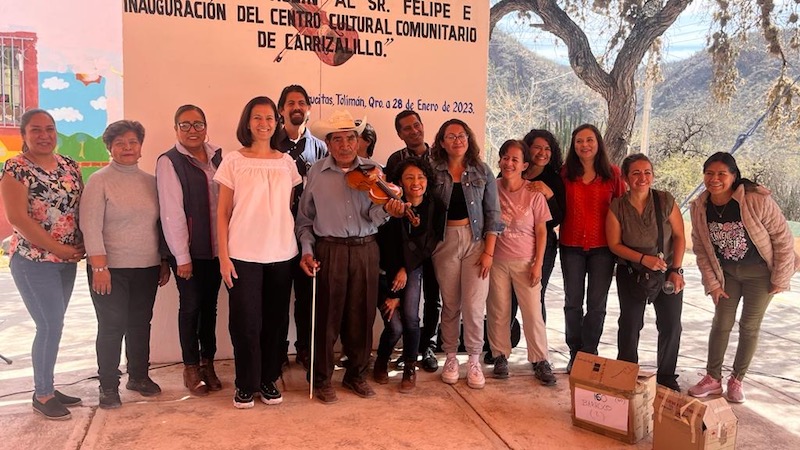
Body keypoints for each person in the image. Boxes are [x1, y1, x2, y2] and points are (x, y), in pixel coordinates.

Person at [295, 109, 406, 404]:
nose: (345, 145)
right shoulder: (315, 172)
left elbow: (374, 212)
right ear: (329, 144)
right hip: (328, 249)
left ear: (358, 141)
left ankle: (356, 375)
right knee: (326, 318)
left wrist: (388, 210)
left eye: (350, 138)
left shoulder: (374, 171)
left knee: (361, 316)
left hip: (365, 249)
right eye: (338, 139)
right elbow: (305, 220)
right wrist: (307, 250)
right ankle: (321, 379)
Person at [688, 152, 799, 403]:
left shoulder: (754, 200)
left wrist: (780, 277)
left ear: (733, 176)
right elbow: (702, 250)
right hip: (726, 275)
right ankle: (713, 378)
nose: (714, 179)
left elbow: (782, 237)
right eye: (709, 173)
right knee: (721, 323)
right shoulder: (700, 207)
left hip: (759, 276)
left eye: (721, 174)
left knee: (749, 326)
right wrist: (712, 285)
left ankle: (737, 380)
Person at [215, 96, 302, 409]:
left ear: (276, 122)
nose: (263, 124)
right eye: (257, 118)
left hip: (282, 254)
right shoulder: (233, 161)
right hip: (242, 255)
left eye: (269, 118)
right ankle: (245, 384)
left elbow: (286, 209)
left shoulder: (286, 163)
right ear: (247, 122)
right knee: (245, 323)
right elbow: (223, 213)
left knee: (275, 323)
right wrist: (224, 257)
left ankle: (268, 379)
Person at [80, 120, 171, 409]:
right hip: (110, 270)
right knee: (111, 326)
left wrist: (162, 261)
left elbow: (159, 225)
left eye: (132, 142)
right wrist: (99, 267)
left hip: (146, 267)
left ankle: (139, 377)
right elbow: (90, 226)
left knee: (140, 324)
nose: (127, 148)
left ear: (141, 147)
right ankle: (108, 386)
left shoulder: (150, 182)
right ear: (110, 148)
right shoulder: (99, 181)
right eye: (119, 143)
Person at [1, 109, 84, 420]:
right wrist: (58, 249)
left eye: (49, 129)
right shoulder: (16, 168)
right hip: (34, 261)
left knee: (55, 325)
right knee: (49, 325)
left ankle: (47, 384)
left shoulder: (69, 166)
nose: (44, 135)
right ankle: (42, 394)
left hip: (66, 260)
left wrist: (81, 245)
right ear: (24, 134)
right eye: (36, 130)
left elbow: (79, 208)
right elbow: (17, 218)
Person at [430, 118, 504, 389]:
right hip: (444, 243)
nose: (457, 140)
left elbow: (493, 214)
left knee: (474, 306)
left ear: (468, 139)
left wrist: (489, 252)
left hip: (475, 243)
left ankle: (473, 359)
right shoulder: (433, 171)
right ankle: (450, 357)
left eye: (461, 135)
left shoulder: (482, 171)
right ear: (441, 142)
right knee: (450, 304)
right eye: (450, 136)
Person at [156, 104, 223, 396]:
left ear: (206, 127)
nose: (192, 130)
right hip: (188, 252)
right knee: (191, 306)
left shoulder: (220, 157)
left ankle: (208, 362)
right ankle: (191, 367)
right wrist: (181, 257)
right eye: (185, 125)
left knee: (210, 308)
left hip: (217, 250)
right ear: (176, 129)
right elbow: (172, 213)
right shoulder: (169, 161)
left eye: (197, 124)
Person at [606, 153, 685, 392]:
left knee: (671, 325)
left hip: (666, 272)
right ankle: (626, 372)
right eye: (636, 173)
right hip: (632, 272)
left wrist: (676, 270)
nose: (642, 178)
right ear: (626, 177)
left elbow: (680, 236)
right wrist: (643, 259)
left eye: (647, 172)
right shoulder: (618, 206)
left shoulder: (664, 200)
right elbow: (614, 244)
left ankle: (667, 375)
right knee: (630, 324)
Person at [486, 140, 556, 385]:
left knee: (532, 313)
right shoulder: (491, 188)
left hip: (526, 261)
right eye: (505, 157)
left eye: (515, 159)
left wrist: (537, 264)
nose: (509, 163)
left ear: (524, 165)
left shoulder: (534, 192)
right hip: (497, 261)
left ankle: (540, 359)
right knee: (498, 311)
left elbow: (542, 232)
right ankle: (499, 355)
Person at [373, 157, 445, 393]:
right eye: (409, 177)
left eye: (421, 177)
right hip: (385, 274)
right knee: (395, 327)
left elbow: (428, 246)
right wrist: (394, 293)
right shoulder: (391, 207)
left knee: (412, 320)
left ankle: (409, 369)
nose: (416, 183)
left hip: (411, 269)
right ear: (400, 182)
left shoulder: (435, 206)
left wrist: (405, 271)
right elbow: (385, 250)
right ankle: (381, 362)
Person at [559, 124, 626, 372]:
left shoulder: (613, 174)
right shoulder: (565, 174)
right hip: (570, 247)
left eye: (589, 140)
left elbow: (621, 212)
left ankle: (590, 353)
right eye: (579, 141)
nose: (584, 145)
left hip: (604, 249)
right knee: (572, 303)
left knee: (597, 305)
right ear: (573, 145)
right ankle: (575, 353)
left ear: (598, 143)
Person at [274, 85, 328, 371]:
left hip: (310, 234)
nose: (297, 107)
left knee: (308, 298)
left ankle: (305, 349)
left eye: (302, 102)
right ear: (281, 109)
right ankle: (277, 350)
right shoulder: (270, 144)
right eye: (290, 102)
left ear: (308, 109)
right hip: (277, 236)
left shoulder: (320, 147)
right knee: (278, 297)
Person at [384, 110, 441, 373]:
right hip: (409, 243)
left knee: (433, 296)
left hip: (433, 237)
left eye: (416, 125)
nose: (413, 130)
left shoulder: (439, 155)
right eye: (406, 128)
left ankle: (426, 346)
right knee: (409, 302)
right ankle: (408, 351)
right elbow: (390, 198)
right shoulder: (396, 160)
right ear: (399, 134)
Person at [522, 129, 565, 322]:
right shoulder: (515, 169)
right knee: (508, 298)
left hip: (544, 245)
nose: (542, 152)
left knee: (536, 297)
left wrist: (549, 194)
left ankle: (538, 350)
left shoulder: (555, 179)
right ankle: (501, 348)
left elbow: (557, 219)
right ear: (527, 149)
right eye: (537, 147)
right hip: (513, 244)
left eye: (547, 148)